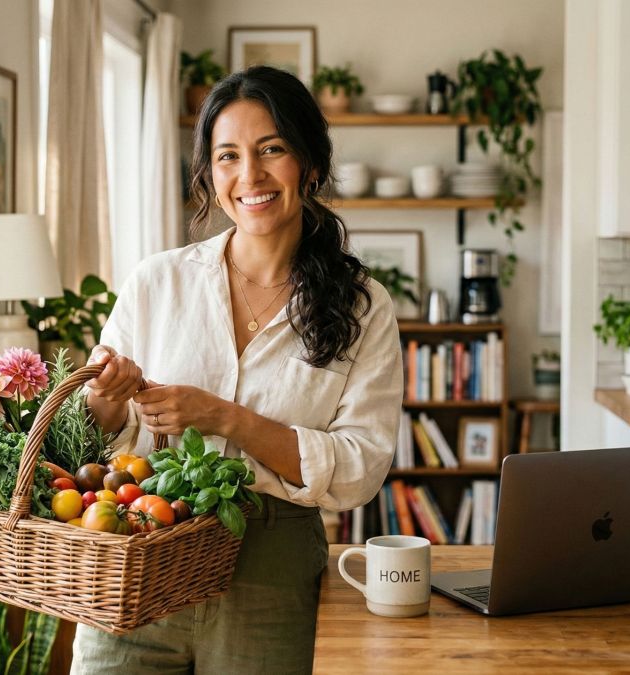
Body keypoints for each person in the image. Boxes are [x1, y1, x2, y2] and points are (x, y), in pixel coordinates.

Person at [72, 65, 404, 674]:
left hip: (271, 569)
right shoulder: (157, 282)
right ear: (209, 175)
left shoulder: (363, 306)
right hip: (138, 545)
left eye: (270, 150)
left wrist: (226, 419)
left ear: (309, 163)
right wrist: (109, 401)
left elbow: (358, 469)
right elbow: (89, 436)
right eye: (227, 156)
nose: (248, 175)